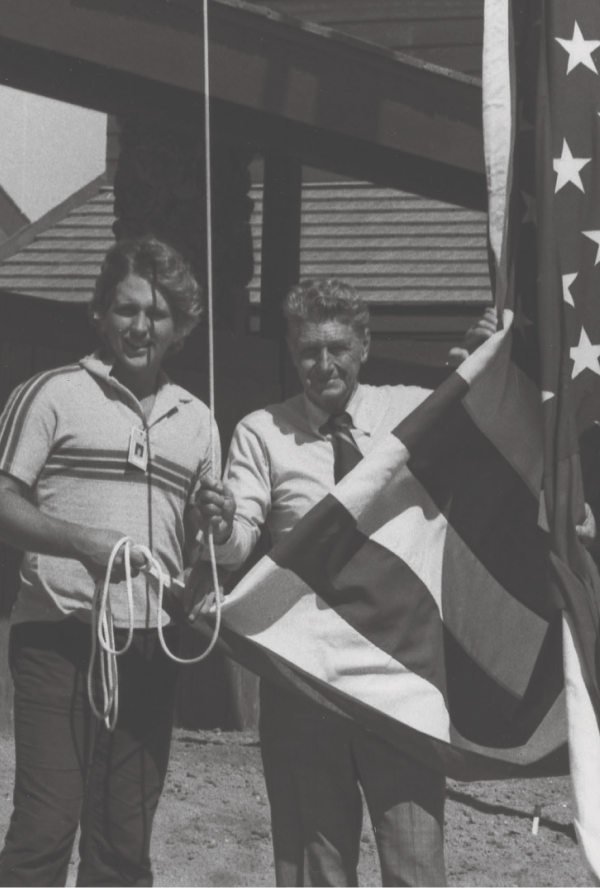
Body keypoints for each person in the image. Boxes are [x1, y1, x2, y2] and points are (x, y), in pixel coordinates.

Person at [196, 277, 459, 888]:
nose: (324, 364)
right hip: (305, 681)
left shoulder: (412, 411)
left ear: (364, 345)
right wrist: (219, 525)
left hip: (400, 683)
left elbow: (497, 424)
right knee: (316, 864)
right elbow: (237, 544)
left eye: (338, 347)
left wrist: (488, 358)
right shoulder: (262, 430)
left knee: (417, 864)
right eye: (309, 349)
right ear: (292, 351)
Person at [0, 236, 217, 888]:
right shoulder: (52, 393)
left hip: (149, 647)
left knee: (123, 846)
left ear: (178, 326)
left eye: (156, 313)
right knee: (45, 827)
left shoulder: (199, 421)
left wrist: (215, 532)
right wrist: (83, 543)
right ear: (99, 312)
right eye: (126, 309)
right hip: (57, 639)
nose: (140, 326)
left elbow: (206, 556)